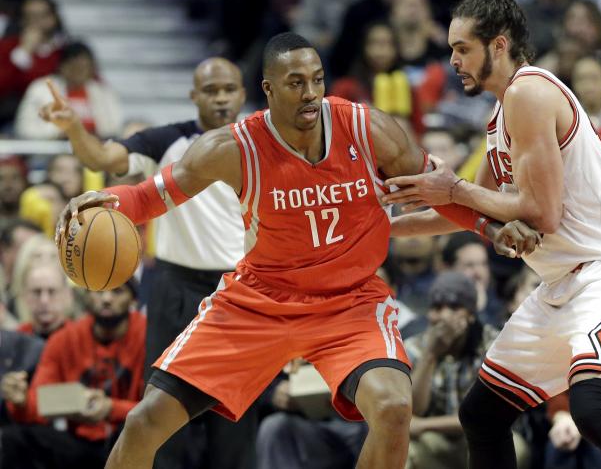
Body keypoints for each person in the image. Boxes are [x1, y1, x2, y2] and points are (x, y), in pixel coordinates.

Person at [56, 32, 514, 469]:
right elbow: (149, 197)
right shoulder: (231, 147)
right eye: (296, 83)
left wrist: (488, 228)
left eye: (317, 79)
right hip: (260, 302)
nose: (311, 93)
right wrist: (107, 201)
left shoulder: (367, 128)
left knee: (395, 407)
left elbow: (441, 191)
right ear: (268, 90)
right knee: (144, 421)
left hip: (349, 302)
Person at [384, 0, 601, 468]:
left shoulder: (530, 92)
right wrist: (377, 224)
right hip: (563, 282)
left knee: (594, 410)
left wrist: (453, 189)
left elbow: (542, 212)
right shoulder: (499, 116)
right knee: (481, 414)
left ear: (498, 44)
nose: (452, 60)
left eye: (463, 48)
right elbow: (469, 209)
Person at [38, 57, 256, 469]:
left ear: (244, 93)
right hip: (175, 288)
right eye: (211, 90)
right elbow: (102, 158)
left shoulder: (262, 144)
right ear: (194, 96)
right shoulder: (167, 141)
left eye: (229, 89)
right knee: (159, 419)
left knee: (235, 428)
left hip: (240, 292)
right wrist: (72, 128)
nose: (221, 98)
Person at [1, 281, 146, 469]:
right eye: (99, 291)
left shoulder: (149, 336)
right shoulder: (64, 340)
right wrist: (21, 402)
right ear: (86, 295)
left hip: (133, 440)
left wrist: (111, 408)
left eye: (117, 291)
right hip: (78, 444)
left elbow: (159, 410)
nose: (107, 299)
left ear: (133, 299)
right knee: (13, 438)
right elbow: (41, 405)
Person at [403, 271, 508, 469]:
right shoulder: (415, 347)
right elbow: (414, 411)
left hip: (484, 438)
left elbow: (485, 417)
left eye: (453, 307)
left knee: (510, 447)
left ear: (470, 314)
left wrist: (425, 425)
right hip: (436, 443)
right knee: (406, 449)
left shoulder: (493, 345)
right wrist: (430, 355)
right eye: (436, 307)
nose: (443, 316)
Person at [16, 41, 123, 140]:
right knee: (66, 162)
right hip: (53, 152)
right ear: (62, 67)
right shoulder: (41, 89)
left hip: (95, 151)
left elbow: (115, 127)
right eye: (75, 67)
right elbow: (25, 129)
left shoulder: (103, 92)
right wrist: (58, 134)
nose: (80, 72)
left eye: (84, 67)